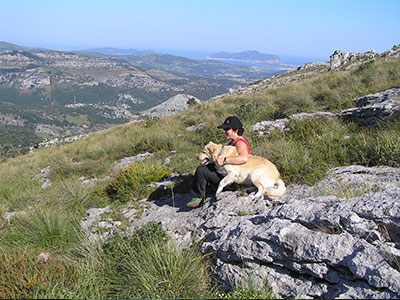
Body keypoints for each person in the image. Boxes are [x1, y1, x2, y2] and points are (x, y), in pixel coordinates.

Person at [186, 116, 250, 208]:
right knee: (208, 167)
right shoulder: (232, 142)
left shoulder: (240, 143)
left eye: (227, 129)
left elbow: (244, 158)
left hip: (234, 180)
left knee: (201, 170)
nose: (224, 131)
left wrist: (224, 160)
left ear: (235, 130)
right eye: (224, 129)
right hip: (231, 175)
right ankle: (207, 189)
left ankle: (198, 196)